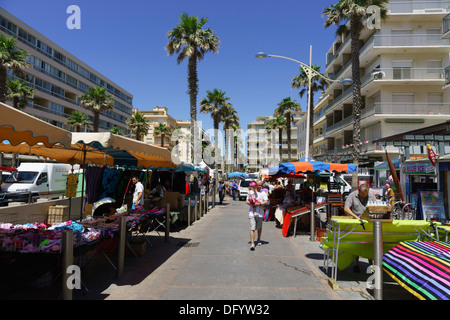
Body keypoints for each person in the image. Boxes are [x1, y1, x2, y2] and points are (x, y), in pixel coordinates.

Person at [344, 184, 376, 272]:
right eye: (362, 195)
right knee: (357, 244)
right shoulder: (352, 195)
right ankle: (356, 263)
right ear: (359, 191)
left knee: (370, 243)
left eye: (365, 195)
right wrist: (356, 217)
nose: (364, 197)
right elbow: (346, 208)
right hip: (356, 222)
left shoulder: (371, 196)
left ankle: (371, 264)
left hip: (368, 223)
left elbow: (375, 207)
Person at [246, 179, 268, 251]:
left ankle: (258, 239)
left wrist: (260, 204)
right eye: (259, 185)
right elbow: (247, 201)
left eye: (261, 185)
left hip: (260, 213)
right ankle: (252, 243)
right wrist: (252, 204)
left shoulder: (263, 193)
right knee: (252, 228)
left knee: (259, 228)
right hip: (252, 213)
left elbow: (266, 202)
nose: (260, 187)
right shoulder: (251, 192)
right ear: (256, 185)